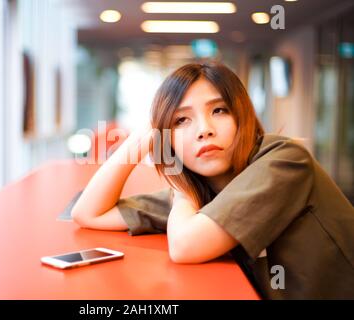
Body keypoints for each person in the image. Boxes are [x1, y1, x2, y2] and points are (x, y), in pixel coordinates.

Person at [71, 61, 354, 299]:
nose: (204, 130)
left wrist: (180, 192)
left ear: (242, 117)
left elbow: (184, 246)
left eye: (219, 110)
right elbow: (88, 213)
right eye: (181, 120)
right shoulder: (201, 189)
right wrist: (140, 139)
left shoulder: (285, 160)